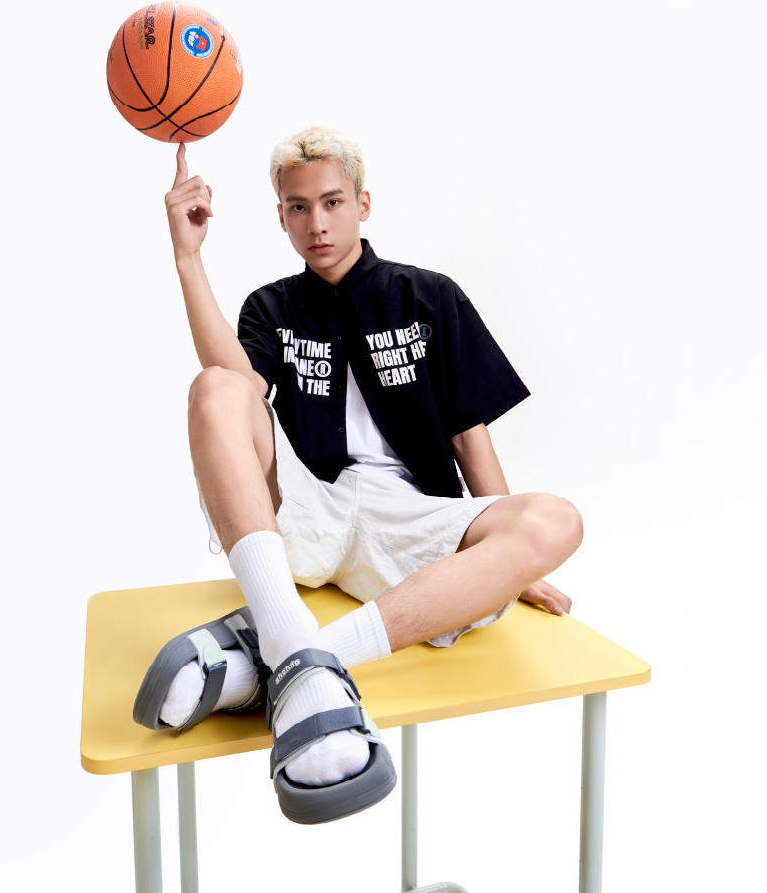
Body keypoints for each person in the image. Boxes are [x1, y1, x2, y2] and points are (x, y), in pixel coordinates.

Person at [133, 126, 583, 825]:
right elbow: (237, 391)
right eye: (298, 207)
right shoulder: (271, 307)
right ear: (281, 216)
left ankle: (292, 659)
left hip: (410, 524)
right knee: (215, 387)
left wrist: (513, 565)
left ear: (363, 204)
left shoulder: (428, 296)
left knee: (555, 520)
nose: (317, 223)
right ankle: (293, 640)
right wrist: (188, 257)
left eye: (332, 202)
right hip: (306, 513)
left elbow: (470, 434)